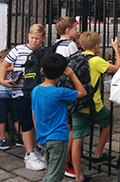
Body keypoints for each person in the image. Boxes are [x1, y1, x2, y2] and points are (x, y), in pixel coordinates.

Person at [72, 32, 120, 182]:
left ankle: (78, 176)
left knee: (77, 138)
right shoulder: (96, 60)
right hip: (94, 104)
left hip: (77, 103)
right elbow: (118, 67)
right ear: (96, 46)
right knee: (109, 121)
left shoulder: (76, 57)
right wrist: (116, 48)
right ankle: (97, 154)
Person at [0, 24, 46, 171]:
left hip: (37, 92)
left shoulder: (43, 52)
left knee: (35, 122)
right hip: (20, 92)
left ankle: (33, 150)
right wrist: (2, 80)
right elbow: (4, 65)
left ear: (43, 39)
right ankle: (29, 153)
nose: (34, 41)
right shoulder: (18, 50)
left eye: (37, 38)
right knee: (25, 122)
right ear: (28, 36)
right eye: (32, 38)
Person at [31, 53, 86, 182]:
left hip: (43, 136)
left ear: (42, 70)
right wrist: (72, 76)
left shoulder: (36, 90)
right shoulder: (60, 92)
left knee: (50, 169)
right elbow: (82, 92)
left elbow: (34, 114)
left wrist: (38, 136)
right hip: (58, 137)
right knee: (55, 174)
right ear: (61, 73)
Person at [53, 16, 81, 178]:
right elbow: (74, 65)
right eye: (76, 29)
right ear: (68, 30)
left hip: (54, 87)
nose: (77, 32)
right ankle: (66, 160)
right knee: (69, 127)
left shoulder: (55, 44)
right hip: (66, 88)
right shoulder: (69, 45)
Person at [0, 49, 21, 150]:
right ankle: (3, 139)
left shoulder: (13, 66)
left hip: (13, 95)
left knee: (17, 117)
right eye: (2, 59)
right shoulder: (0, 66)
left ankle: (20, 136)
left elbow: (0, 70)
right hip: (2, 95)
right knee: (2, 118)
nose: (4, 61)